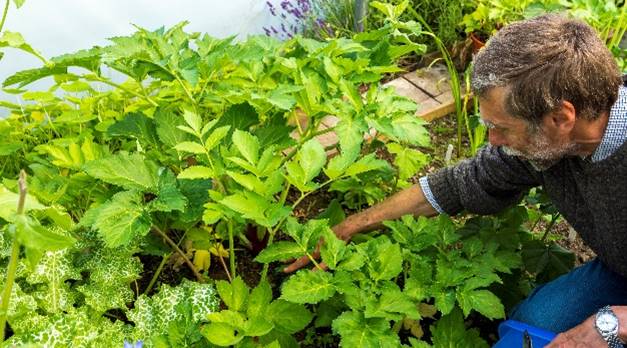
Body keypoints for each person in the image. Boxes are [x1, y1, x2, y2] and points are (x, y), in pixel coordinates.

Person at [284, 14, 627, 347]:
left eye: (502, 128)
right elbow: (460, 184)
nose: (492, 140)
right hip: (619, 270)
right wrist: (351, 227)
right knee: (530, 326)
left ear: (561, 116)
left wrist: (610, 324)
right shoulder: (553, 145)